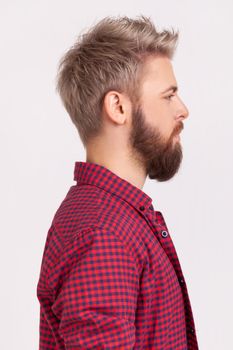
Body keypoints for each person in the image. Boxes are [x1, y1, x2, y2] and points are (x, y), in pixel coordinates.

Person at [37, 15, 199, 349]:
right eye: (168, 95)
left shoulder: (115, 219)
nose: (183, 110)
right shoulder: (104, 234)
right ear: (118, 107)